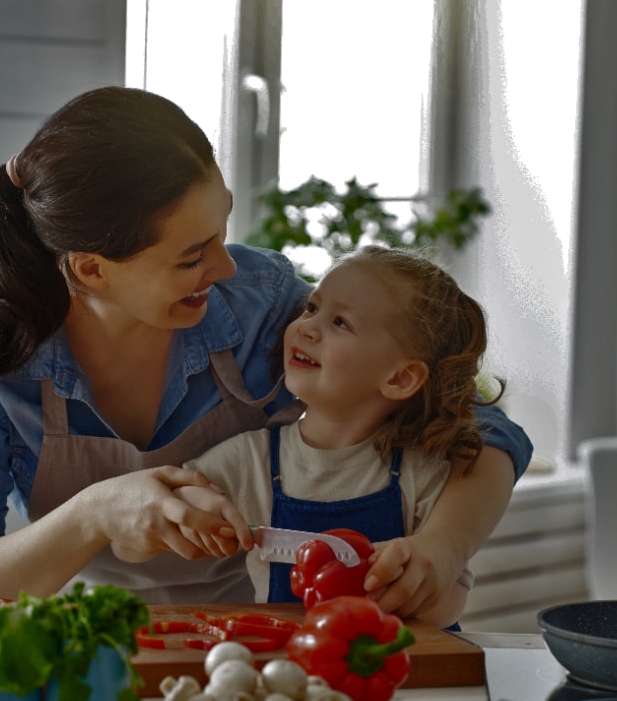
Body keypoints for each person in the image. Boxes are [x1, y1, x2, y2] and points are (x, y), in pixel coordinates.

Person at [0, 86, 533, 611]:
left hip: (251, 642)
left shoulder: (263, 308)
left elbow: (480, 428)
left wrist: (444, 550)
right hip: (87, 640)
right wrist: (93, 513)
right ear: (93, 270)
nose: (225, 267)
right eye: (191, 256)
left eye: (221, 231)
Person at [179, 246, 496, 628]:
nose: (306, 327)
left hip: (407, 674)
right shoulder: (248, 460)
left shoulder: (424, 470)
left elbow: (451, 607)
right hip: (287, 670)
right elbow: (160, 519)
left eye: (341, 323)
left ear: (400, 378)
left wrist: (407, 588)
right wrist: (191, 512)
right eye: (312, 308)